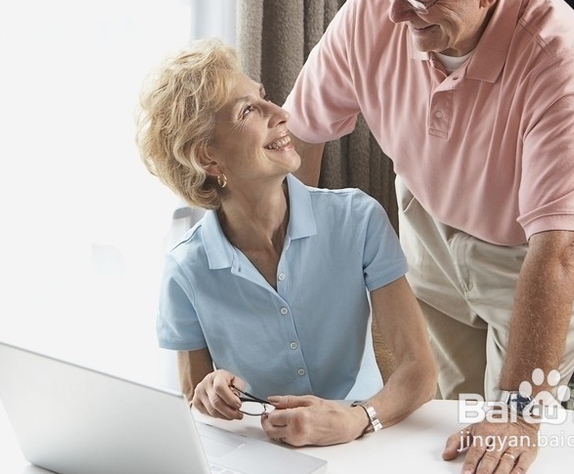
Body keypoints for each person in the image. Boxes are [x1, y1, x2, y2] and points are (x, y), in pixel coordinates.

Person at [282, 0, 574, 472]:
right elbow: (303, 133)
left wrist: (516, 413)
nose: (391, 11)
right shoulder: (374, 10)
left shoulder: (555, 51)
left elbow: (560, 246)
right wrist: (293, 264)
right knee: (447, 427)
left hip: (532, 251)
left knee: (509, 436)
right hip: (431, 225)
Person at [135, 38, 437, 447]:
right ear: (208, 158)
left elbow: (419, 371)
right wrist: (210, 392)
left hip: (365, 444)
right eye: (249, 110)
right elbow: (194, 398)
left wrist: (357, 420)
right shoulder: (185, 269)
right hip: (261, 453)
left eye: (264, 98)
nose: (281, 114)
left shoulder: (357, 219)